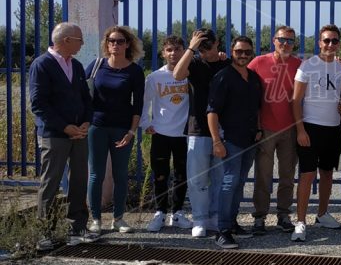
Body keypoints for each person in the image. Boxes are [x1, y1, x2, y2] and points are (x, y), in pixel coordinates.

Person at [29, 22, 96, 249]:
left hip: (79, 133)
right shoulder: (42, 65)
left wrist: (86, 121)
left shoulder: (76, 66)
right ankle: (43, 233)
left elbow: (86, 98)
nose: (82, 43)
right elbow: (39, 104)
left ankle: (77, 228)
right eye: (79, 39)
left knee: (79, 180)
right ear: (66, 40)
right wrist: (64, 126)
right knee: (51, 181)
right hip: (55, 134)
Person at [85, 25, 145, 234]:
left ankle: (118, 219)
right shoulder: (97, 65)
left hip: (122, 129)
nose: (115, 45)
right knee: (96, 175)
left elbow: (138, 105)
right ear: (106, 43)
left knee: (120, 175)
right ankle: (95, 219)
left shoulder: (135, 71)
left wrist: (131, 131)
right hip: (97, 127)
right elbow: (82, 93)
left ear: (128, 44)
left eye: (120, 41)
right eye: (111, 41)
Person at [173, 29, 231, 238]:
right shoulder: (195, 63)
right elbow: (178, 74)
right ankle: (199, 218)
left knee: (220, 177)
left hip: (224, 128)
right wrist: (191, 47)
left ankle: (214, 217)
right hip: (197, 128)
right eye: (202, 47)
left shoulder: (227, 63)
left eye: (208, 46)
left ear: (218, 44)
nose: (205, 51)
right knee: (197, 178)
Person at [291, 24, 341, 241]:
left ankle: (322, 214)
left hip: (333, 129)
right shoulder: (308, 65)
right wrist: (300, 129)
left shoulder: (340, 67)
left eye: (334, 40)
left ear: (338, 43)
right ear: (319, 43)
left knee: (327, 174)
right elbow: (295, 101)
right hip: (310, 128)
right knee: (306, 175)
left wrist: (340, 106)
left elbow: (335, 95)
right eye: (326, 40)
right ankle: (301, 222)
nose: (330, 44)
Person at [208, 36, 263, 249]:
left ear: (252, 53)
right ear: (232, 51)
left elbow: (257, 108)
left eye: (247, 52)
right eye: (239, 51)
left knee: (239, 182)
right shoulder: (223, 77)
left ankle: (232, 222)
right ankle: (222, 231)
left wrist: (258, 129)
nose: (243, 55)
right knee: (229, 182)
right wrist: (216, 141)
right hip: (230, 139)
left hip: (250, 139)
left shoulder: (253, 77)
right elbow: (212, 111)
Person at [247, 26, 302, 235]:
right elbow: (240, 76)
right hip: (266, 128)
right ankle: (260, 216)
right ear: (274, 40)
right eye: (282, 39)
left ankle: (283, 214)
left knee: (287, 174)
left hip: (290, 129)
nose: (286, 44)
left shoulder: (299, 64)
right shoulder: (259, 62)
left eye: (290, 40)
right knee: (263, 174)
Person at [140, 35, 193, 232]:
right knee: (160, 175)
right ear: (163, 53)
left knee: (182, 175)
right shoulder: (155, 77)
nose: (173, 53)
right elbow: (145, 102)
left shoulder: (190, 74)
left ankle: (177, 213)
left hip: (184, 134)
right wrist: (146, 123)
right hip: (161, 132)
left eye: (177, 49)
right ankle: (160, 212)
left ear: (184, 51)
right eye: (169, 50)